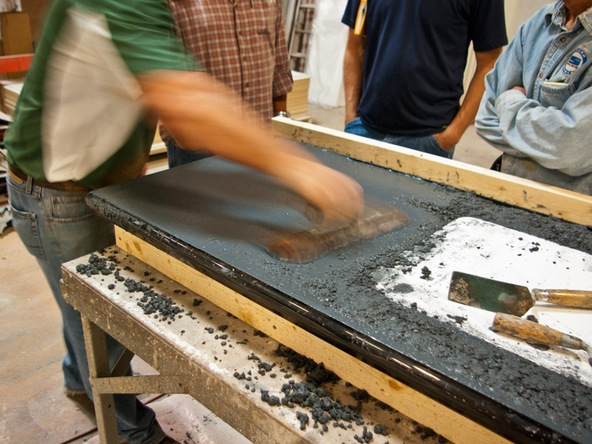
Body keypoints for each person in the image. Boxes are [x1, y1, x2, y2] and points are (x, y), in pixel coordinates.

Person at [4, 0, 364, 443]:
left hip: (90, 182)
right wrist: (303, 169)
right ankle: (132, 432)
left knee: (79, 308)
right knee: (96, 317)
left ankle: (80, 377)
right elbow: (185, 103)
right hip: (58, 194)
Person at [341, 0, 507, 159]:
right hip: (364, 128)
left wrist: (451, 136)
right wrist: (350, 117)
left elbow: (489, 63)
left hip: (428, 141)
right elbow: (355, 45)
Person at [475, 0, 592, 196]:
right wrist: (546, 144)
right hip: (507, 193)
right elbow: (486, 117)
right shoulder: (540, 23)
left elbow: (569, 148)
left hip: (567, 213)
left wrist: (510, 101)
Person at [161, 0, 293, 167]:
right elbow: (159, 75)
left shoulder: (270, 2)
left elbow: (280, 69)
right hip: (200, 148)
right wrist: (184, 141)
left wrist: (281, 130)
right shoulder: (176, 3)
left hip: (259, 139)